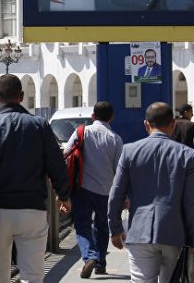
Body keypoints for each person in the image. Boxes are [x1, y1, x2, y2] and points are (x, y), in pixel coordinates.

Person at [0, 74, 71, 283]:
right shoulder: (39, 125)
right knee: (33, 277)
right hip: (32, 210)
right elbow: (56, 165)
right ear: (22, 96)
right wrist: (63, 195)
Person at [108, 102, 194, 282]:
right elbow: (190, 203)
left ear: (146, 124)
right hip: (174, 233)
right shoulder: (187, 155)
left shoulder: (129, 151)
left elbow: (115, 195)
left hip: (139, 232)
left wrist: (115, 228)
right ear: (173, 124)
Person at [62, 101, 124, 278]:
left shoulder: (82, 132)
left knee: (82, 224)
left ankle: (89, 256)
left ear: (92, 116)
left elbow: (66, 153)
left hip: (82, 187)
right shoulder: (115, 139)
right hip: (105, 190)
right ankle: (101, 264)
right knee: (102, 226)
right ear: (112, 117)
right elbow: (119, 170)